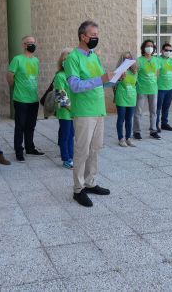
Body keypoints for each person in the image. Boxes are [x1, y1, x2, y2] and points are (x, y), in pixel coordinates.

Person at [65, 20, 113, 207]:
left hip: (98, 109)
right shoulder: (73, 58)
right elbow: (75, 86)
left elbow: (102, 82)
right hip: (84, 112)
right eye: (93, 36)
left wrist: (114, 79)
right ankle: (78, 189)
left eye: (97, 35)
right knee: (82, 151)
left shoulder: (94, 56)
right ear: (82, 37)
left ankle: (90, 183)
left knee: (95, 149)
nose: (96, 38)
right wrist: (100, 79)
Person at [7, 35, 44, 161]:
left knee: (31, 125)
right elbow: (10, 76)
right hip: (21, 99)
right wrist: (15, 87)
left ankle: (30, 147)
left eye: (33, 42)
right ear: (24, 45)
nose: (31, 44)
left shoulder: (36, 60)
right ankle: (19, 151)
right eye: (28, 43)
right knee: (20, 126)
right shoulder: (17, 59)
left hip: (34, 99)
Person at [133, 39, 161, 140]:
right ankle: (136, 131)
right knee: (138, 111)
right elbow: (135, 74)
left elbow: (157, 74)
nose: (150, 48)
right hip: (141, 89)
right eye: (147, 46)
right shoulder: (139, 60)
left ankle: (153, 130)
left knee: (154, 111)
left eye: (152, 46)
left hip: (153, 89)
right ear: (143, 48)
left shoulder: (157, 60)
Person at [54, 48, 74, 169]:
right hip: (65, 110)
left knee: (71, 134)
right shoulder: (60, 76)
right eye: (65, 59)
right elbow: (60, 96)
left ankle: (71, 156)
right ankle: (66, 158)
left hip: (73, 110)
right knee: (65, 134)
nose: (67, 62)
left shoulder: (73, 75)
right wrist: (70, 108)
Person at [114, 52, 138, 148]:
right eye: (125, 58)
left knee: (129, 119)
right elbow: (113, 83)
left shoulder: (135, 71)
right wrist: (120, 78)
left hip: (131, 97)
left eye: (129, 58)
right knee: (121, 118)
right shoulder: (119, 71)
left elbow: (136, 83)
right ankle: (121, 138)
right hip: (121, 97)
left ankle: (128, 138)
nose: (127, 60)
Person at [156, 43, 172, 132]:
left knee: (166, 107)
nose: (168, 52)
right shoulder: (157, 60)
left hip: (170, 88)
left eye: (170, 50)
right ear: (162, 51)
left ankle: (164, 123)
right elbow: (155, 74)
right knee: (157, 108)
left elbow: (171, 73)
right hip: (160, 88)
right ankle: (155, 125)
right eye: (166, 50)